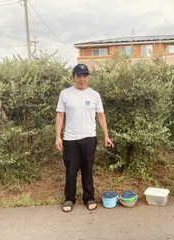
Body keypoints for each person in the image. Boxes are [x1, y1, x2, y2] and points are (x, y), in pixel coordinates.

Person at [55, 63, 114, 212]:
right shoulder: (65, 93)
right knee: (71, 170)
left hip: (89, 138)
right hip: (70, 139)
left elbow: (101, 115)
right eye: (78, 76)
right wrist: (58, 137)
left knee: (87, 169)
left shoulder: (94, 94)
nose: (82, 79)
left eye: (85, 76)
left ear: (89, 77)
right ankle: (69, 198)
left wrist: (106, 135)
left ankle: (89, 198)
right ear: (73, 77)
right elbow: (60, 115)